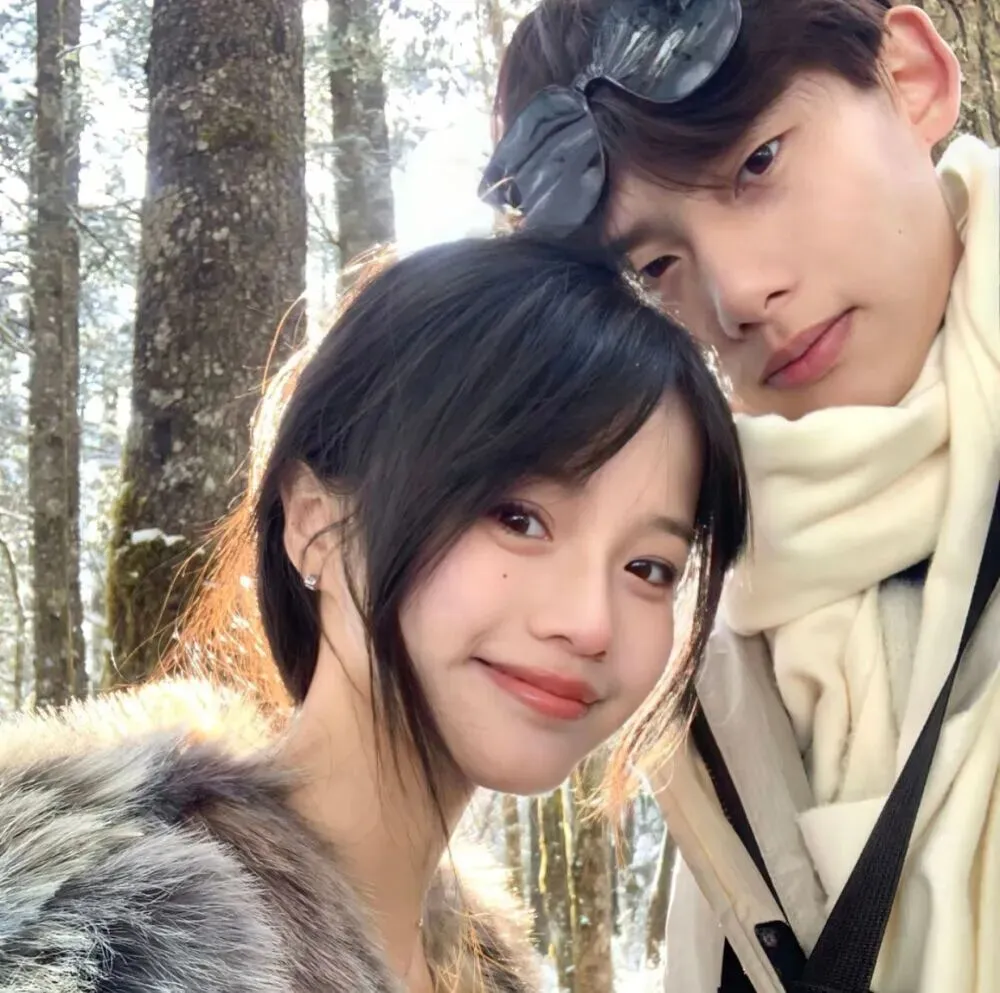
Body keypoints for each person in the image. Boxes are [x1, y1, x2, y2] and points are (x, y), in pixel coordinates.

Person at [0, 234, 748, 993]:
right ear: (314, 523)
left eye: (649, 568)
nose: (591, 623)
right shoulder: (108, 945)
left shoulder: (481, 969)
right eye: (517, 518)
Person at [484, 0, 1000, 991]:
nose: (734, 294)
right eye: (657, 265)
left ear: (911, 79)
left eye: (757, 163)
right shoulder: (703, 640)